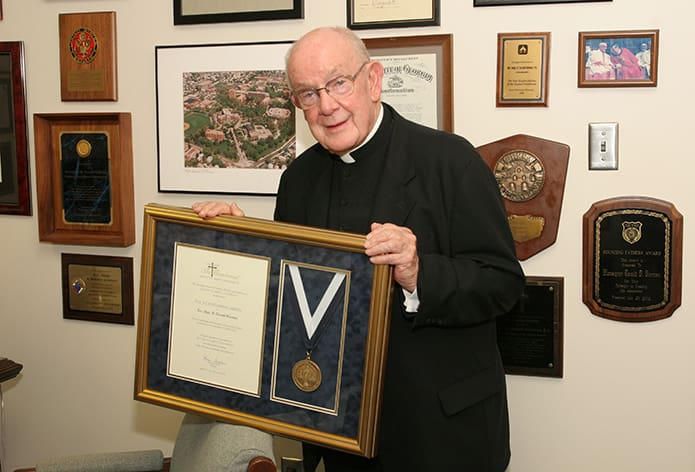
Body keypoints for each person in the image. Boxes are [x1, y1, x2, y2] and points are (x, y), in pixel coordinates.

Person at [193, 26, 525, 471]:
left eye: (338, 83)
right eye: (308, 94)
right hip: (343, 435)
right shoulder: (298, 180)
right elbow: (295, 303)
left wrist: (418, 273)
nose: (326, 106)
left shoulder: (451, 161)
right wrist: (246, 251)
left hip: (443, 434)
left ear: (373, 79)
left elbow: (503, 285)